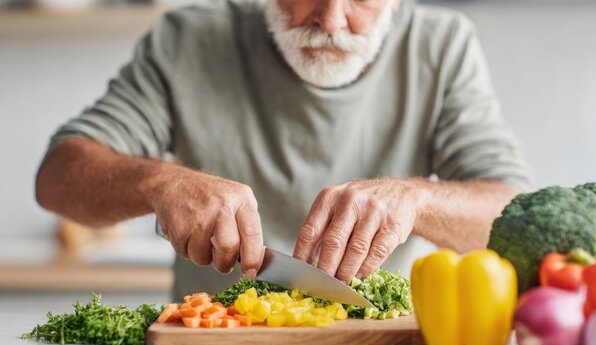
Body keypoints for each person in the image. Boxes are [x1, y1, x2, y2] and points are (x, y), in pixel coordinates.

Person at [35, 0, 532, 300]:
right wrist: (159, 181)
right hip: (215, 344)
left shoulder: (444, 47)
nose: (331, 21)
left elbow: (515, 217)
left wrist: (416, 199)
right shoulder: (186, 39)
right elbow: (57, 177)